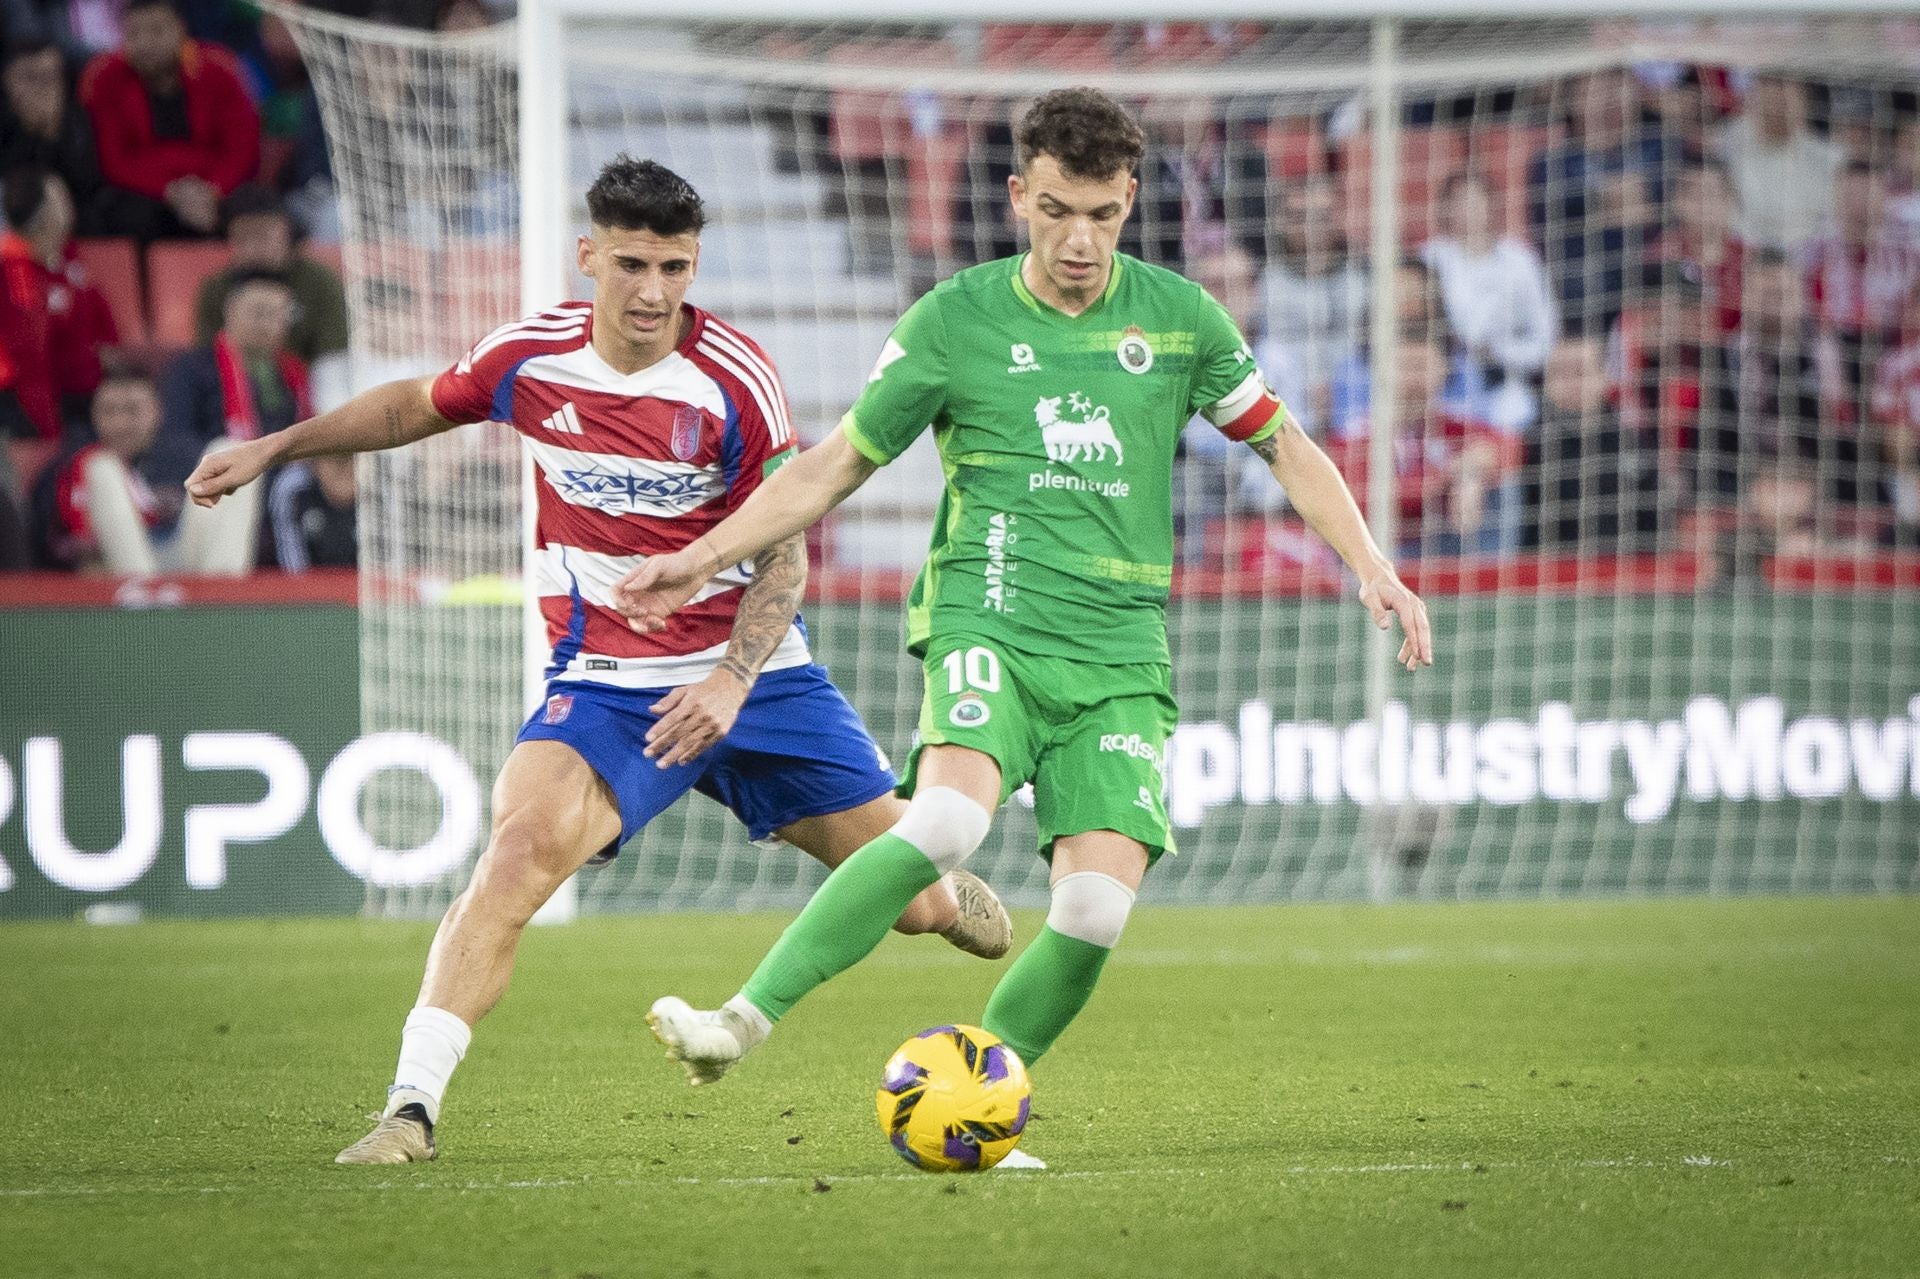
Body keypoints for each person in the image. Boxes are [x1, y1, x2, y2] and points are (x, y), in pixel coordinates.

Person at [618, 90, 1431, 1167]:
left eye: (1101, 212)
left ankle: (971, 1101)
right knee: (948, 829)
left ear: (1130, 198)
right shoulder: (955, 320)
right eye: (1057, 210)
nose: (1080, 239)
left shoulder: (1182, 318)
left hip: (1121, 652)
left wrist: (1371, 563)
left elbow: (1284, 445)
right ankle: (739, 1022)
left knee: (1094, 910)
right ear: (1018, 197)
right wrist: (703, 552)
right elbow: (832, 466)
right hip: (989, 622)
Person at [183, 155, 1011, 1165]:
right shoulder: (532, 359)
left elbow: (785, 551)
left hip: (757, 676)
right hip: (608, 684)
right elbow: (410, 406)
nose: (656, 291)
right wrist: (276, 446)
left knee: (916, 899)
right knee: (517, 857)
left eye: (675, 266)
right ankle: (410, 1109)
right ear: (590, 257)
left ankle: (940, 895)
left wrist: (731, 678)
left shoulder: (735, 379)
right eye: (633, 264)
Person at [77, 0, 260, 239]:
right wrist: (170, 191)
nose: (144, 43)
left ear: (181, 29)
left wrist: (212, 191)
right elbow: (113, 160)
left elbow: (242, 151)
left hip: (213, 189)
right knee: (124, 212)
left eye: (156, 30)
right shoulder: (105, 77)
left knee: (250, 210)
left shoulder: (219, 68)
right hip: (145, 192)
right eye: (134, 33)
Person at [150, 268, 310, 499]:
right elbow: (176, 439)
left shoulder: (295, 374)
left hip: (283, 490)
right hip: (220, 487)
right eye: (259, 313)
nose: (268, 325)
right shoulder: (191, 368)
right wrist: (239, 466)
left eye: (279, 315)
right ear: (230, 311)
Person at [192, 183, 350, 408]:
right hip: (233, 389)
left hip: (308, 389)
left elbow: (332, 356)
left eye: (263, 236)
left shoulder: (318, 281)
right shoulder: (216, 288)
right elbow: (207, 355)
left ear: (287, 235)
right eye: (242, 238)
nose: (253, 247)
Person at [1422, 171, 1556, 432]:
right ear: (1444, 209)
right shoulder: (1430, 258)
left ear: (1492, 204)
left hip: (1506, 384)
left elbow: (1545, 339)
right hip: (1445, 386)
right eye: (1459, 201)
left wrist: (1498, 353)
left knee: (1517, 415)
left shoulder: (1521, 260)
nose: (1468, 210)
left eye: (1476, 199)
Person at [0, 166, 120, 440]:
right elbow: (29, 361)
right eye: (60, 197)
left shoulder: (68, 255)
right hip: (33, 405)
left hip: (85, 393)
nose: (69, 203)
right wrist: (52, 433)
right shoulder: (13, 271)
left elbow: (98, 310)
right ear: (43, 215)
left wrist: (108, 349)